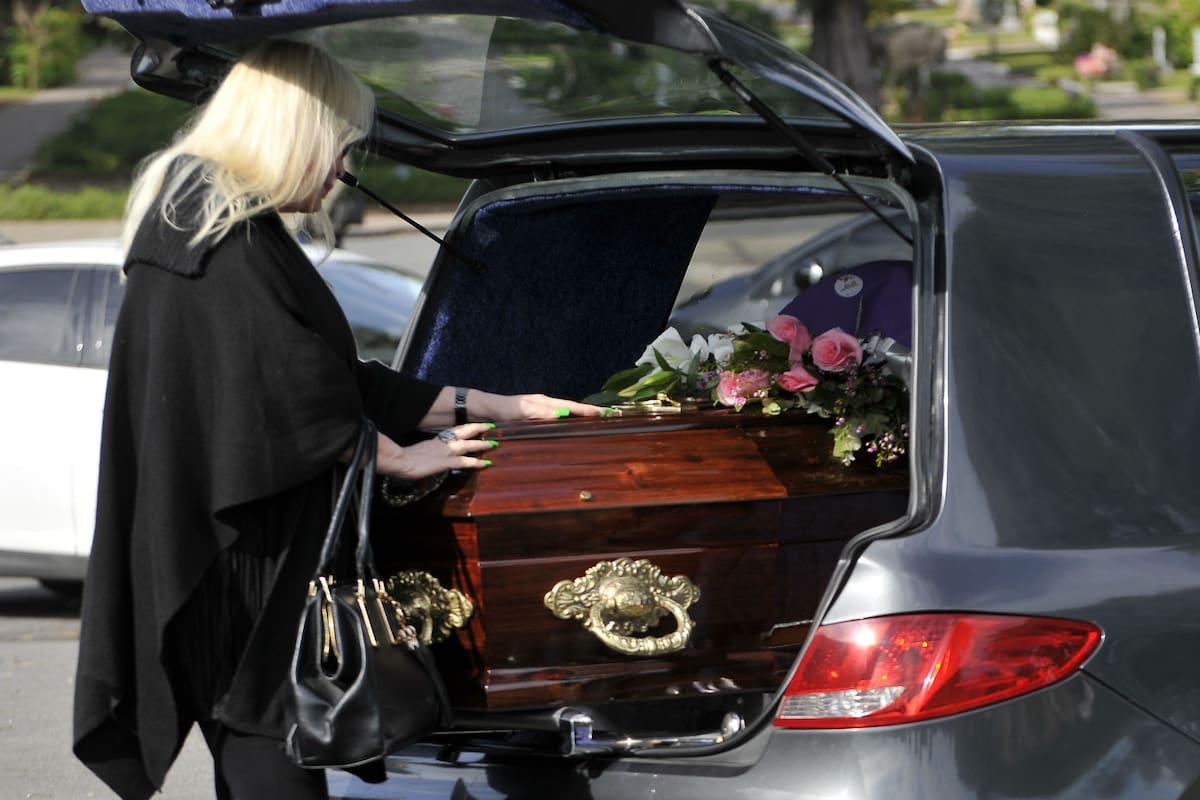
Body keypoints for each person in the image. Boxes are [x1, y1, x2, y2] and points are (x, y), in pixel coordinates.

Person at [72, 39, 601, 800]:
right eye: (340, 148)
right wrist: (398, 457)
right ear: (296, 132)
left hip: (246, 550)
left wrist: (497, 404)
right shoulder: (210, 230)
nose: (344, 172)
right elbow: (281, 389)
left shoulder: (220, 223)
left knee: (266, 750)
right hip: (247, 565)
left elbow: (329, 376)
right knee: (268, 749)